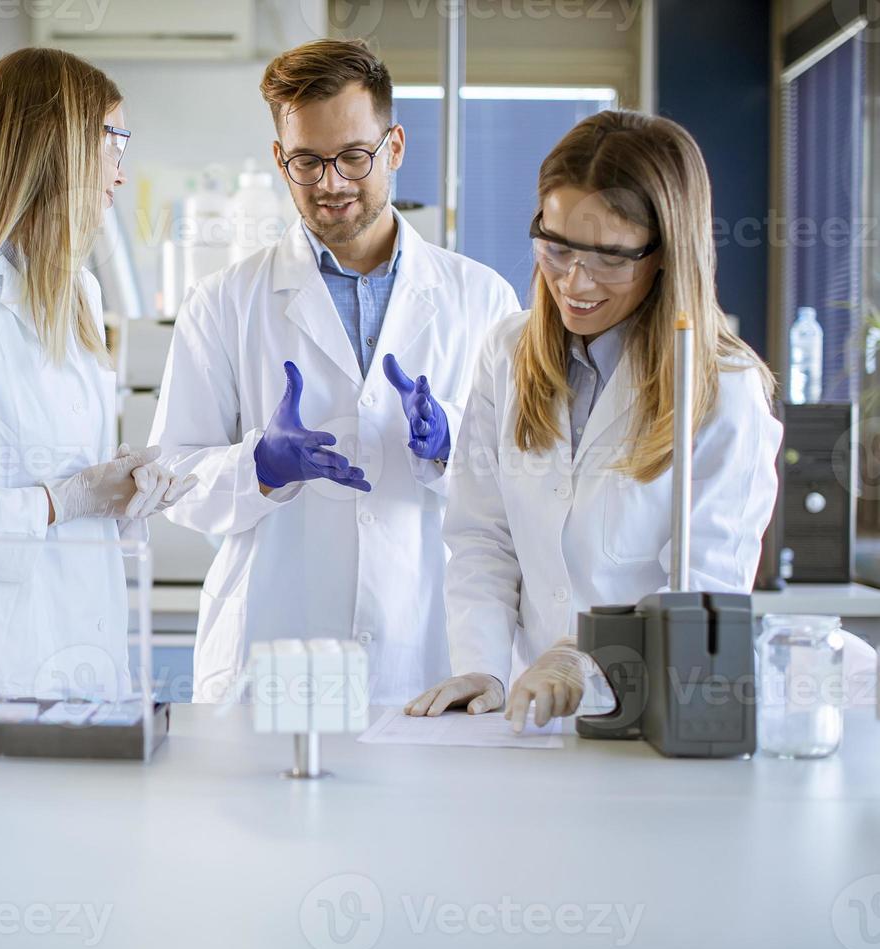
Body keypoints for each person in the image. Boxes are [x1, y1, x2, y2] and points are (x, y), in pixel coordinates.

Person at [149, 39, 520, 704]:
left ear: (395, 147)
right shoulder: (225, 301)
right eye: (306, 162)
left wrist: (454, 442)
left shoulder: (482, 299)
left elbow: (525, 484)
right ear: (278, 159)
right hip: (274, 652)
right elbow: (173, 480)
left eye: (353, 157)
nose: (331, 184)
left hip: (431, 647)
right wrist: (258, 466)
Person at [406, 109, 782, 730]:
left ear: (666, 251)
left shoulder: (724, 389)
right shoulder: (508, 352)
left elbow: (707, 588)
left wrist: (586, 665)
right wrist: (486, 669)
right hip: (530, 719)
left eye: (610, 256)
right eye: (556, 248)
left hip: (653, 719)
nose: (574, 282)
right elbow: (482, 537)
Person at [0, 48, 194, 700]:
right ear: (59, 148)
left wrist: (119, 497)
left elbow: (63, 491)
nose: (121, 175)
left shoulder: (75, 294)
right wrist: (61, 501)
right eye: (113, 143)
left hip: (81, 663)